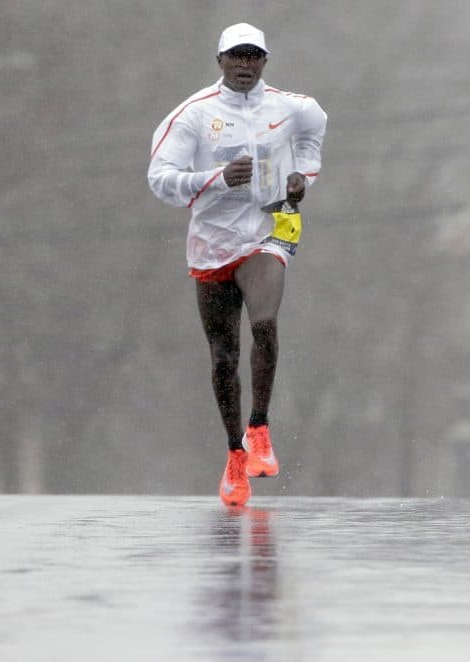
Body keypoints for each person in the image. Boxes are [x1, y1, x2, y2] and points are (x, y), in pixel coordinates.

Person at [148, 22, 327, 507]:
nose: (245, 65)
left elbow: (315, 131)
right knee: (224, 354)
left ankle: (260, 427)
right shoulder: (193, 116)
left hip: (268, 232)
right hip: (212, 243)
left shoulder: (292, 107)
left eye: (254, 57)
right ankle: (234, 455)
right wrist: (216, 178)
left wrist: (301, 174)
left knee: (265, 323)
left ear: (265, 61)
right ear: (220, 61)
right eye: (236, 57)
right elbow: (160, 180)